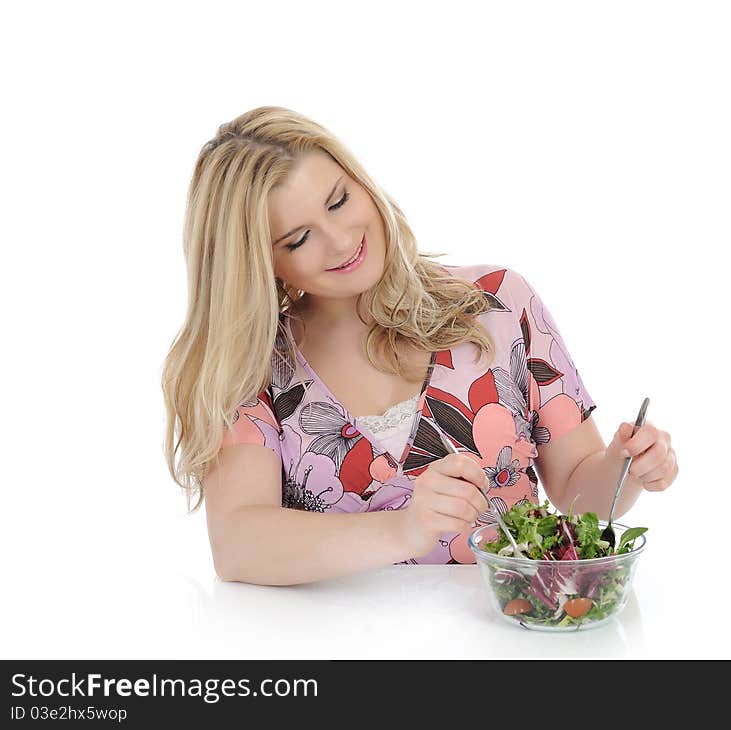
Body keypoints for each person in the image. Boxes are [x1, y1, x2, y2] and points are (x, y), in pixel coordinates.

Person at [161, 106, 679, 586]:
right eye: (298, 239)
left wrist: (626, 467)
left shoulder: (498, 303)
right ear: (259, 262)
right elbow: (238, 545)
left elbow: (577, 490)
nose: (341, 241)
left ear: (362, 182)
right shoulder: (256, 363)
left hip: (512, 636)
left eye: (339, 201)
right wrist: (404, 529)